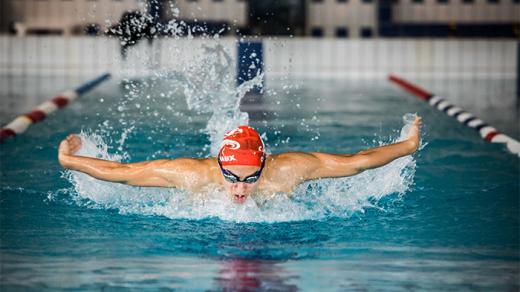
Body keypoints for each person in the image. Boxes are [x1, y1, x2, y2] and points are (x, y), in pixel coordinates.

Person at [58, 117, 422, 204]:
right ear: (219, 164)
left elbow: (357, 162)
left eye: (250, 179)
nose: (239, 188)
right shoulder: (192, 174)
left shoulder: (290, 169)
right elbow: (123, 174)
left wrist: (407, 145)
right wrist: (70, 161)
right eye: (232, 175)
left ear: (265, 166)